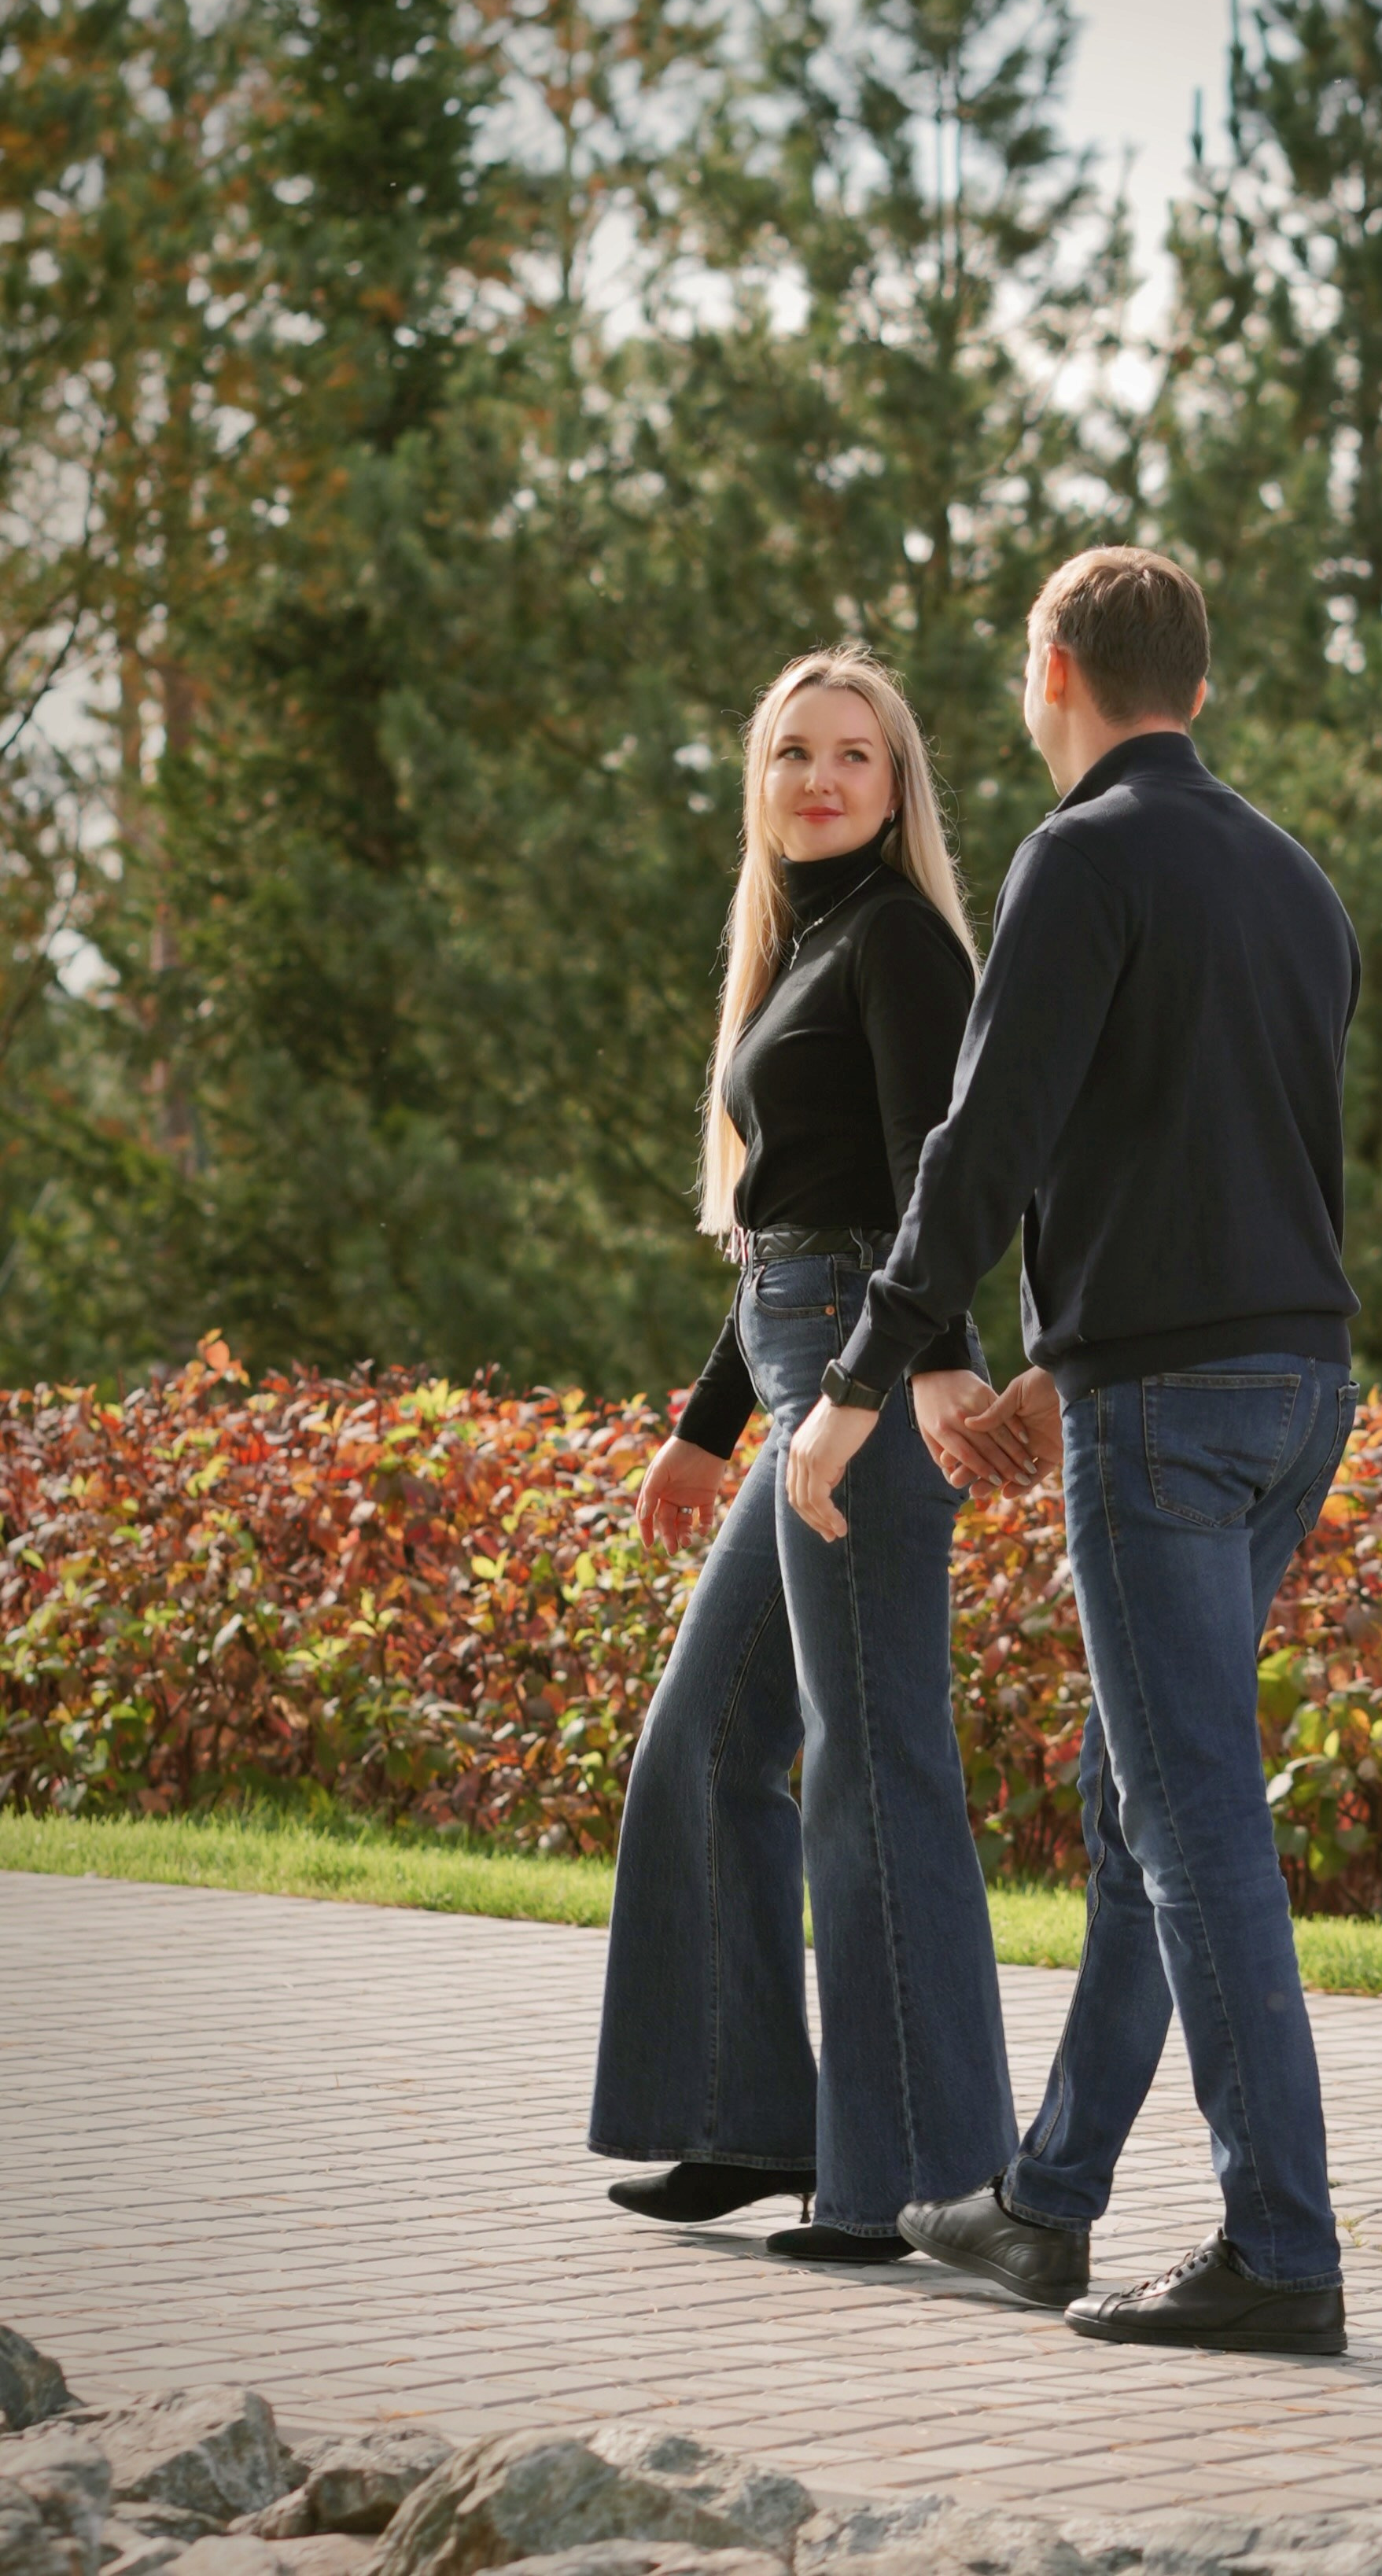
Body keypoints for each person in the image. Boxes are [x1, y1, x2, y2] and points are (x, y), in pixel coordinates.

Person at [786, 548, 1362, 2350]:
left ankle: (1281, 2249)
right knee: (1140, 1805)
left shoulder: (1079, 855)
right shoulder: (1296, 879)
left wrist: (862, 1377)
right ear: (1197, 677)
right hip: (1297, 1385)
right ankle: (1045, 2204)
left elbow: (985, 1144)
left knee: (1193, 1827)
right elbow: (1218, 1144)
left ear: (1052, 670)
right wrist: (1065, 1351)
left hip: (1168, 1416)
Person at [588, 647, 1020, 2264]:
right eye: (793, 753)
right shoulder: (803, 948)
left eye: (853, 754)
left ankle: (914, 2177)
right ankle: (743, 2117)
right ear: (760, 784)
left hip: (865, 1376)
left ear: (897, 790)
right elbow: (785, 1220)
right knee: (702, 1749)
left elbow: (931, 1179)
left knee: (873, 1761)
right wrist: (704, 1431)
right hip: (798, 1369)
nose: (820, 778)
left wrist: (931, 1364)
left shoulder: (900, 939)